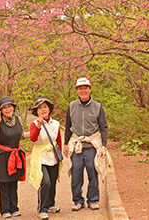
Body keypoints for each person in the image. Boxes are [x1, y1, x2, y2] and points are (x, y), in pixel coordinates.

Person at [63, 77, 108, 212]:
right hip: (77, 145)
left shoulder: (97, 106)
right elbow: (68, 126)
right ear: (77, 90)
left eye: (85, 88)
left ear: (89, 89)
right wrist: (65, 144)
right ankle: (78, 201)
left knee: (92, 174)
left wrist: (103, 146)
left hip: (92, 146)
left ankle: (93, 200)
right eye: (80, 88)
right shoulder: (71, 106)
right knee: (76, 175)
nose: (83, 90)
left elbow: (103, 127)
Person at [0, 96, 27, 219]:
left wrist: (37, 131)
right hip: (1, 156)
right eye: (4, 107)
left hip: (14, 156)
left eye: (10, 106)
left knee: (13, 183)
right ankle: (5, 210)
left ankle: (14, 208)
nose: (8, 109)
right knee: (3, 183)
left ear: (13, 107)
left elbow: (20, 135)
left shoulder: (17, 120)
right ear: (0, 110)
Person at [29, 97, 62, 220]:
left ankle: (50, 204)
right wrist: (38, 125)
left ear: (49, 109)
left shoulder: (56, 124)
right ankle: (42, 209)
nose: (43, 110)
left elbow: (58, 139)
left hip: (53, 155)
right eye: (40, 108)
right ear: (36, 111)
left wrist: (61, 153)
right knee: (45, 182)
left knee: (53, 181)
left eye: (45, 107)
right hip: (40, 155)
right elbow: (32, 138)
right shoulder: (34, 124)